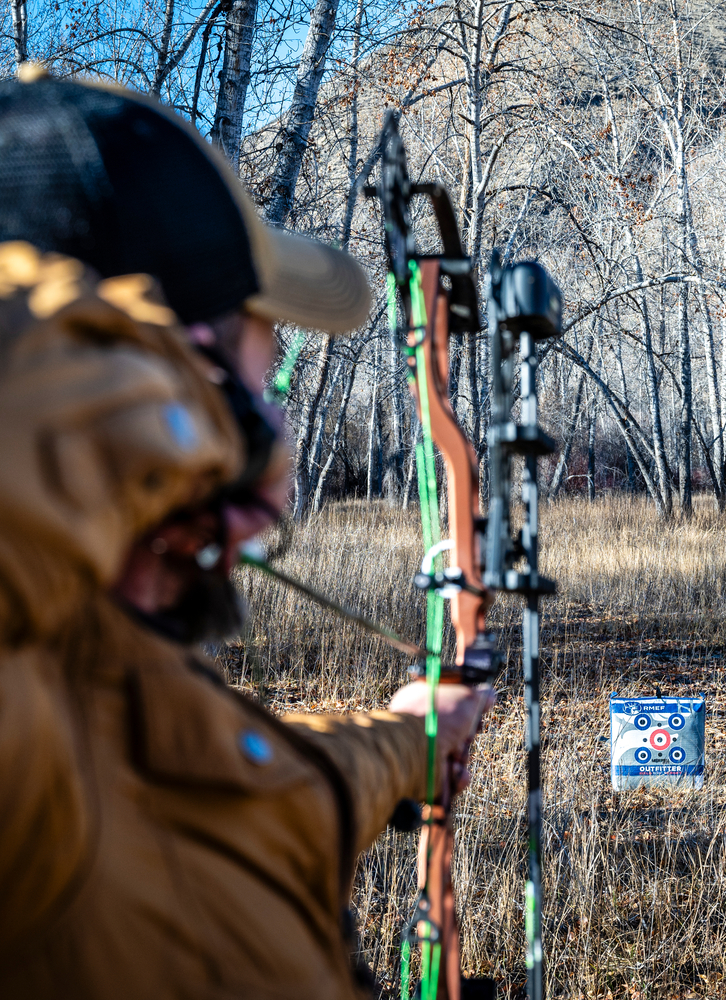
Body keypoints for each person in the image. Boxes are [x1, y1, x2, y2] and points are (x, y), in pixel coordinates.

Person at [0, 67, 490, 998]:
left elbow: (249, 795)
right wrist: (189, 426)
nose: (277, 437)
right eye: (258, 389)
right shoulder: (27, 757)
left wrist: (406, 740)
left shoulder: (117, 678)